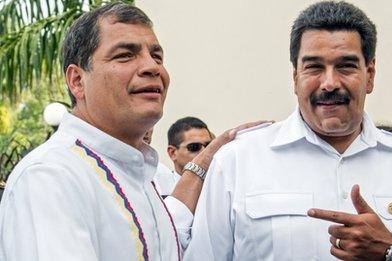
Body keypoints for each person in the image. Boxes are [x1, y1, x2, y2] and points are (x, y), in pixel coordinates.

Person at [177, 1, 392, 260]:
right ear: (295, 77)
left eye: (346, 66)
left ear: (370, 75)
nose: (329, 83)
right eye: (314, 67)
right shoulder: (239, 160)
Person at [0, 3, 265, 260]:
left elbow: (170, 231)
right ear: (78, 81)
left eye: (157, 56)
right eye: (125, 55)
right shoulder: (51, 176)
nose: (153, 67)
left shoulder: (135, 170)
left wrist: (206, 160)